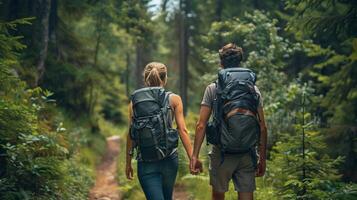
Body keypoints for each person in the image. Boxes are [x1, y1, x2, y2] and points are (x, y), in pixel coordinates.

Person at [190, 43, 268, 200]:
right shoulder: (253, 89)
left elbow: (201, 125)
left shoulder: (213, 88)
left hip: (221, 153)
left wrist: (194, 156)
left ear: (221, 63)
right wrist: (262, 158)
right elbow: (263, 127)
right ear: (240, 62)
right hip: (247, 153)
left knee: (218, 196)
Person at [125, 62, 202, 200]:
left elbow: (131, 134)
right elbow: (182, 130)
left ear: (145, 79)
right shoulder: (174, 99)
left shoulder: (134, 102)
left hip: (146, 162)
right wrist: (193, 157)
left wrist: (128, 162)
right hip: (169, 160)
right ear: (165, 78)